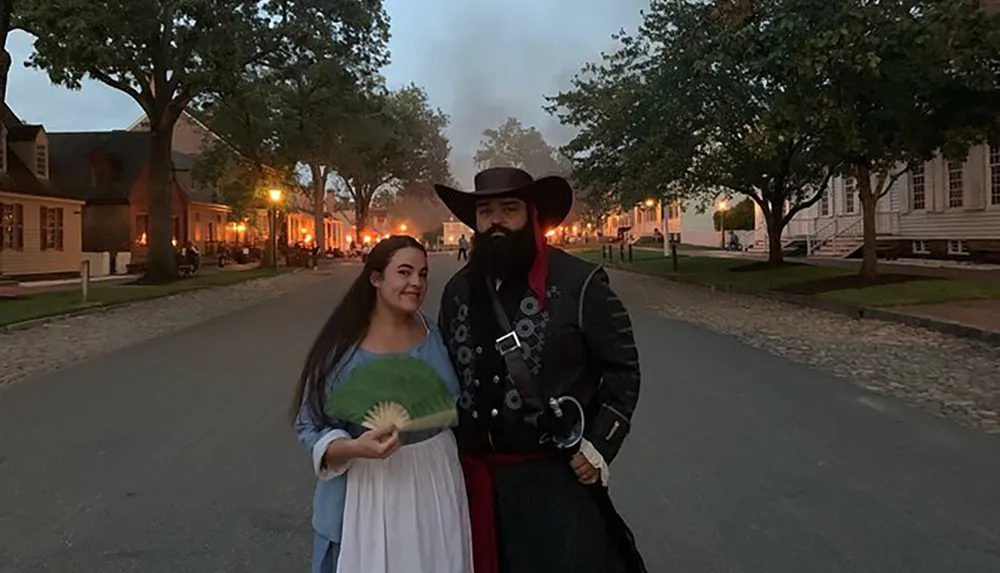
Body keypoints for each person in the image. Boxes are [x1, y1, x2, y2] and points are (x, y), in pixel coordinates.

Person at [435, 167, 646, 573]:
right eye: (485, 212)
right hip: (474, 483)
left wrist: (601, 444)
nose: (495, 220)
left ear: (532, 216)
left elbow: (623, 369)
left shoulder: (580, 284)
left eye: (508, 209)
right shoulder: (457, 291)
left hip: (554, 482)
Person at [291, 235, 474, 573]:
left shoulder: (432, 332)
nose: (415, 283)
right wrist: (353, 448)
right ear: (376, 278)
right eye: (404, 273)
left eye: (422, 274)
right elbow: (308, 425)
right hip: (372, 488)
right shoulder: (344, 351)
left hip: (438, 479)